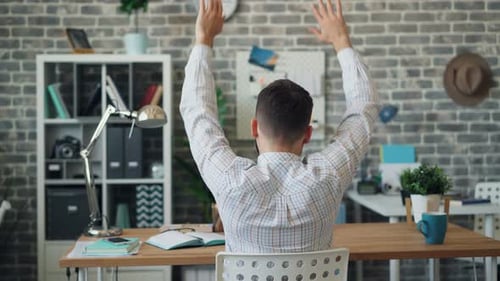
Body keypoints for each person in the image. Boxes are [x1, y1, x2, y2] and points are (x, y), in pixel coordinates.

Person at [180, 0, 379, 252]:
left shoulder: (230, 180)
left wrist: (203, 38)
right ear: (307, 133)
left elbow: (197, 112)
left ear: (255, 128)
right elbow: (363, 109)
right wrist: (341, 41)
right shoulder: (328, 176)